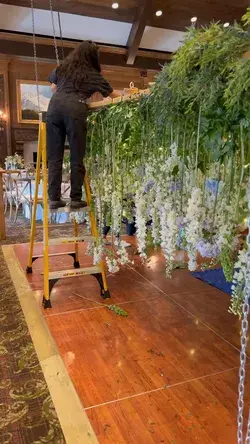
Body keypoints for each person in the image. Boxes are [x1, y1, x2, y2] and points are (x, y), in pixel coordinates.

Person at [47, 40, 120, 210]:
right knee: (76, 155)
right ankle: (75, 198)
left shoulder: (63, 67)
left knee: (54, 156)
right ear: (93, 56)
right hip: (75, 108)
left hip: (54, 107)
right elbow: (114, 96)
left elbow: (53, 88)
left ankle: (54, 198)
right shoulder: (92, 74)